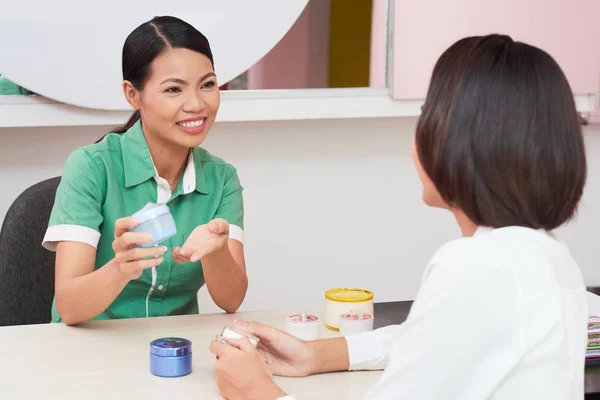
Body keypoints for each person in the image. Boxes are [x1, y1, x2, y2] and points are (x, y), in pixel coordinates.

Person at [208, 34, 588, 399]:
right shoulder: (549, 259)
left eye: (426, 116)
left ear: (458, 140)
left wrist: (258, 392)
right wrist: (315, 354)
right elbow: (432, 337)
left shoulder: (477, 266)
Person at [42, 16, 248, 325]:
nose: (196, 104)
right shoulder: (92, 167)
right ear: (133, 94)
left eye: (207, 85)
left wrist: (216, 251)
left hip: (173, 351)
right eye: (173, 89)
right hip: (89, 350)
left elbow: (231, 301)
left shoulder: (222, 179)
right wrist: (120, 268)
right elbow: (69, 307)